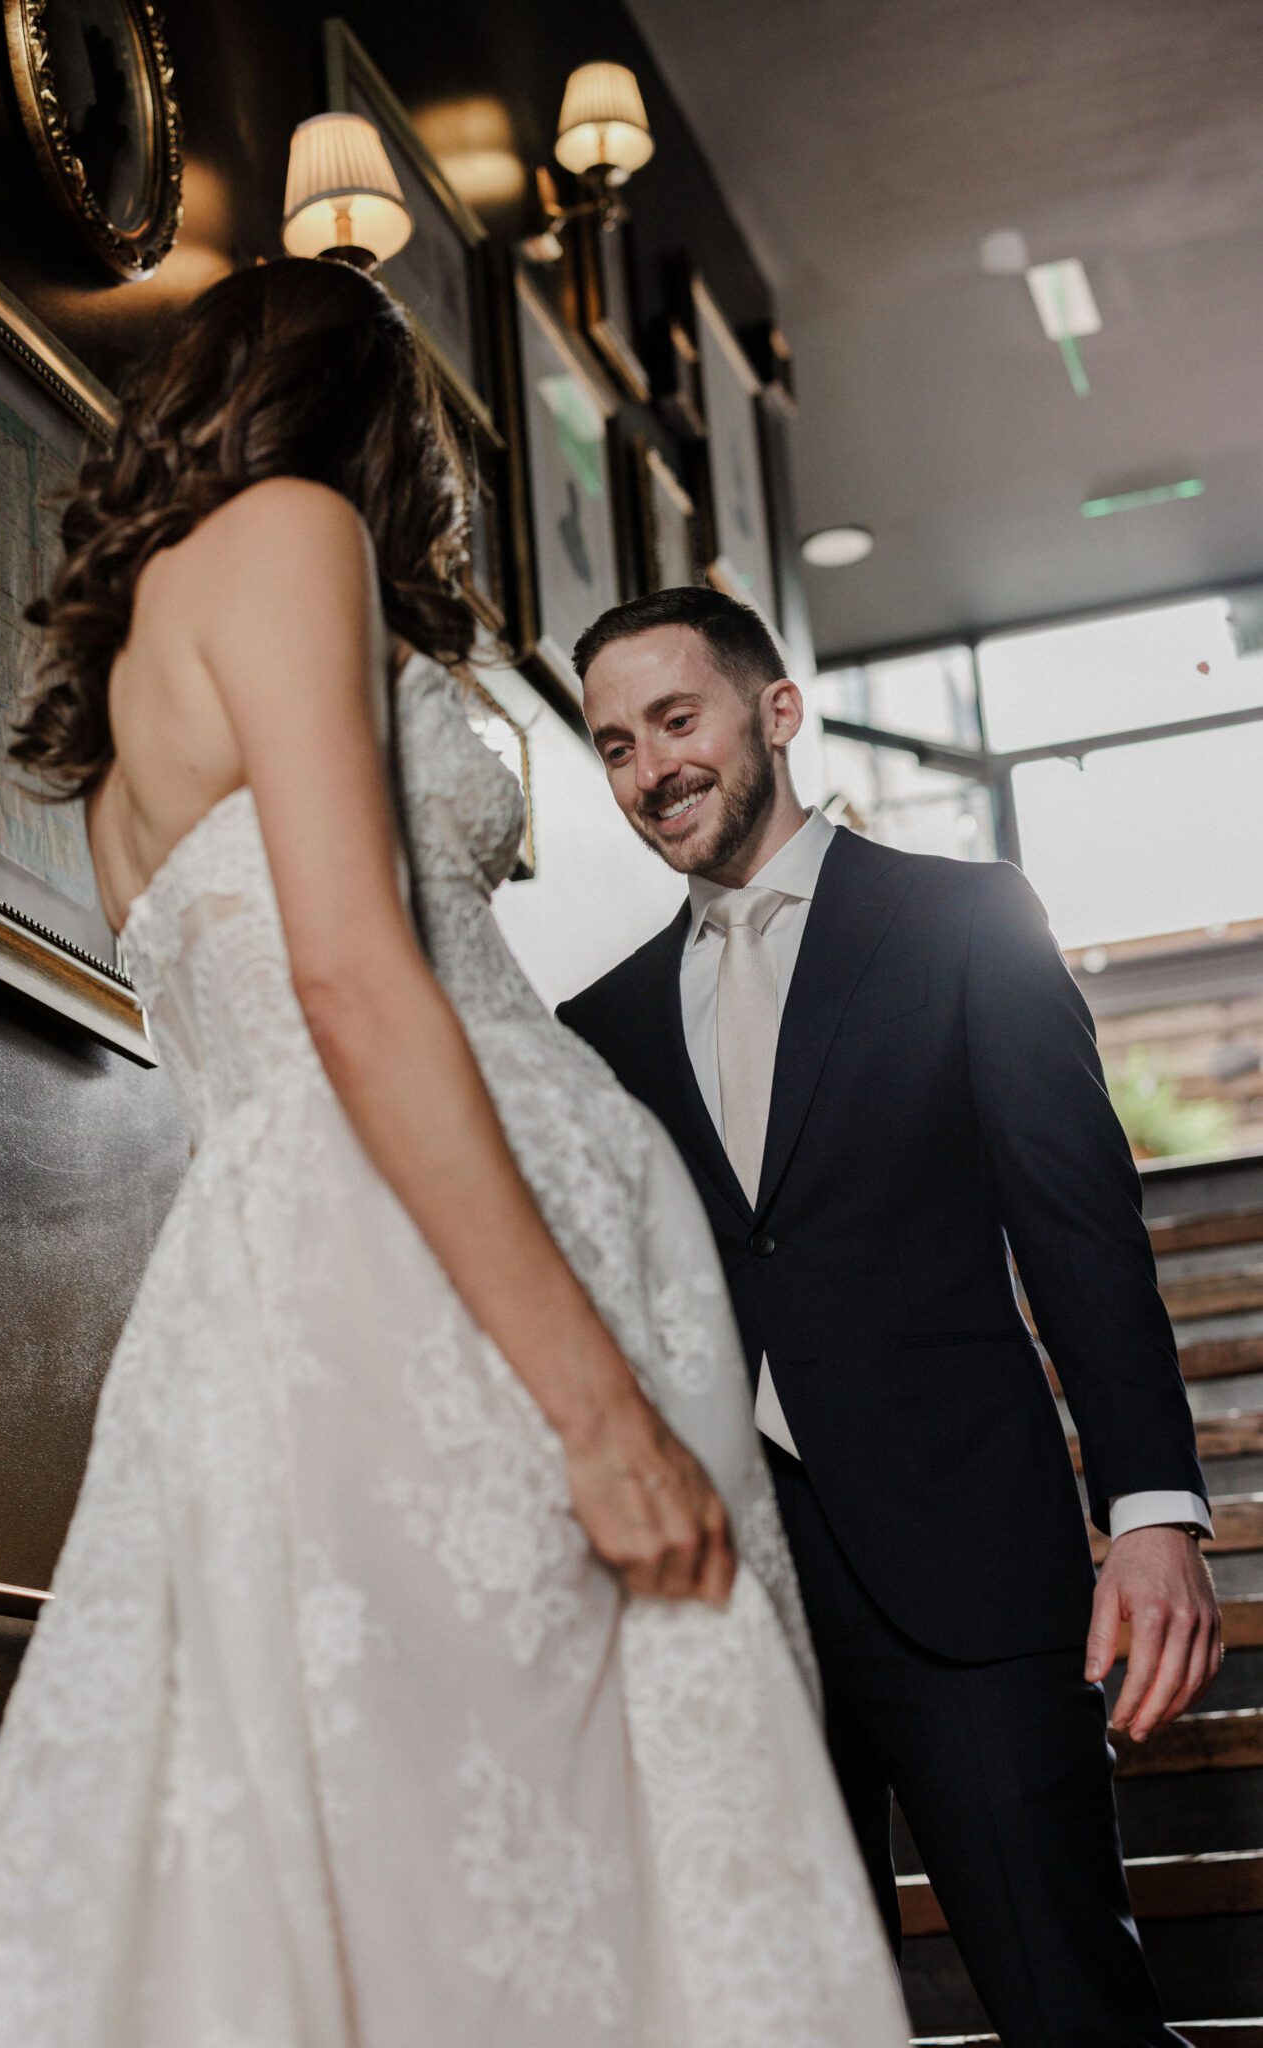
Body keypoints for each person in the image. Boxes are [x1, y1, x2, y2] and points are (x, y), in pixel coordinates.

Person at [0, 264, 911, 2048]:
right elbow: (355, 990)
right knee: (527, 1861)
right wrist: (599, 1411)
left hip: (300, 1296)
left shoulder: (132, 702)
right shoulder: (290, 529)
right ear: (371, 418)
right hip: (441, 1317)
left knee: (410, 1847)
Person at [557, 585, 1223, 2048]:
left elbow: (1081, 1237)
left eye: (677, 720)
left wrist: (1153, 1512)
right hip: (729, 1598)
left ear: (773, 710)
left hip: (967, 1572)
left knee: (1070, 2007)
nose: (649, 768)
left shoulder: (963, 922)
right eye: (613, 744)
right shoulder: (592, 1033)